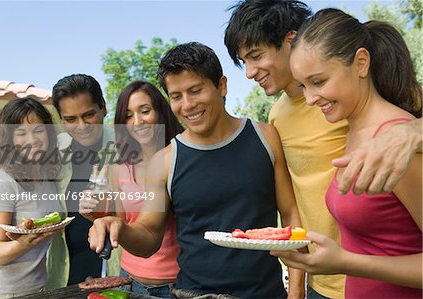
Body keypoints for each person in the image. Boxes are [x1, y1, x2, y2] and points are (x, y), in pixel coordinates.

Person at [224, 1, 422, 297]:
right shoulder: (339, 122)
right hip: (326, 282)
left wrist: (413, 130)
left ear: (361, 64)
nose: (311, 99)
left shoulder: (392, 138)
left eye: (318, 82)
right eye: (304, 86)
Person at [88, 42, 305, 298]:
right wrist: (120, 227)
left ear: (221, 85)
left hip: (265, 293)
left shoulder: (265, 138)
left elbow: (291, 216)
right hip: (193, 293)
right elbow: (148, 235)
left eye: (195, 91)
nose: (187, 105)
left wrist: (297, 290)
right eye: (177, 96)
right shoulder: (165, 160)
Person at [79, 81, 183, 298]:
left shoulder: (179, 157)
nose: (137, 121)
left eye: (145, 111)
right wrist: (94, 217)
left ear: (160, 112)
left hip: (176, 283)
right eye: (128, 115)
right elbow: (121, 221)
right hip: (129, 280)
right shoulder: (119, 166)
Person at [0, 98, 62, 297]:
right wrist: (25, 242)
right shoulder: (1, 182)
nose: (32, 140)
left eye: (38, 130)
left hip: (36, 288)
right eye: (21, 133)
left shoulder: (48, 178)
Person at [45, 74, 115, 288]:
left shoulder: (126, 146)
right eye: (70, 119)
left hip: (111, 266)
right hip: (64, 268)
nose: (81, 126)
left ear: (103, 107)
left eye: (89, 115)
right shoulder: (54, 149)